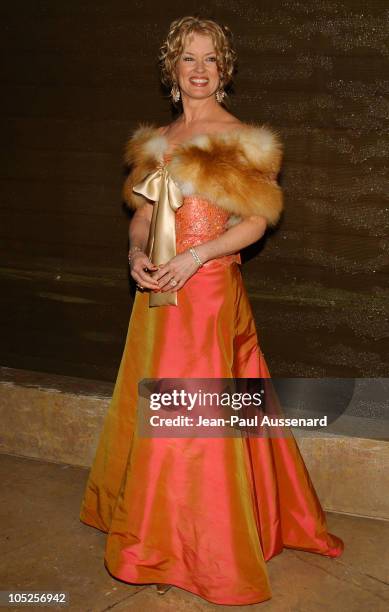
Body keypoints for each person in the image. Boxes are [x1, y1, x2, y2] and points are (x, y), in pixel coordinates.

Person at [79, 15, 344, 606]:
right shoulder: (155, 142)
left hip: (210, 291)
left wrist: (196, 257)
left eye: (210, 60)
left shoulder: (243, 139)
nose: (199, 71)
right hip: (159, 291)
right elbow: (145, 216)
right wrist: (133, 255)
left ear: (224, 70)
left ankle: (204, 546)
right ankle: (160, 532)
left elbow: (252, 224)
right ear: (172, 69)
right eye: (188, 59)